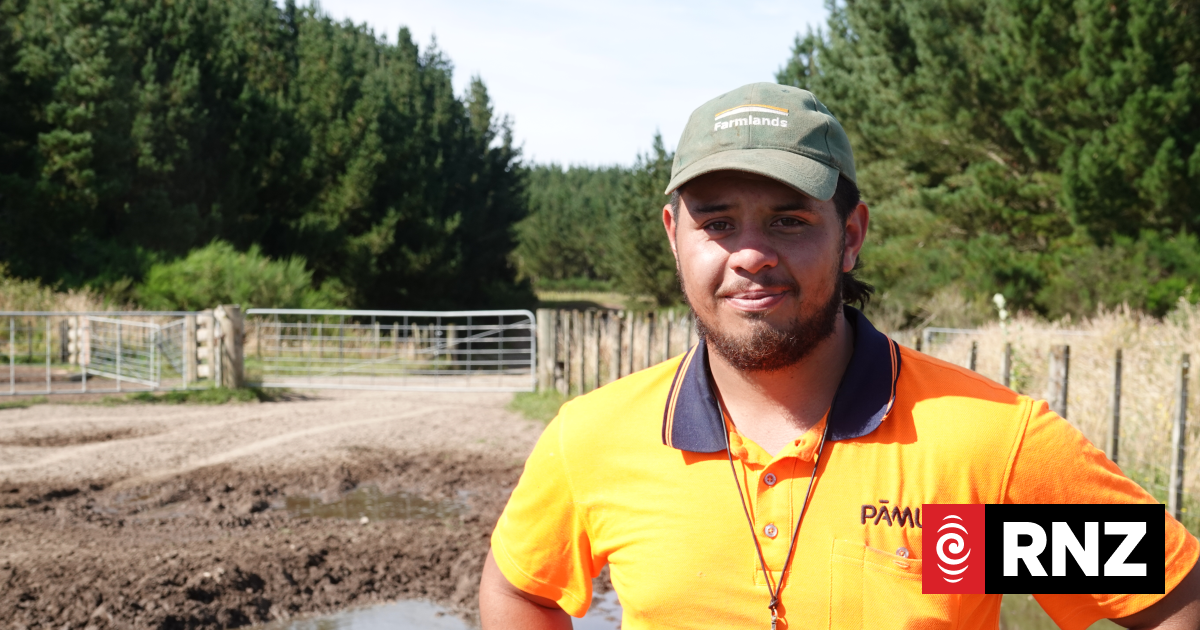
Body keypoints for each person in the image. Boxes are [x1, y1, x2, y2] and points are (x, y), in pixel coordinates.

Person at [478, 82, 1200, 629]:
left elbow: (1170, 598)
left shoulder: (985, 447)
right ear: (674, 235)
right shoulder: (596, 438)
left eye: (790, 221)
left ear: (851, 234)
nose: (751, 254)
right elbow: (523, 588)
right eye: (718, 222)